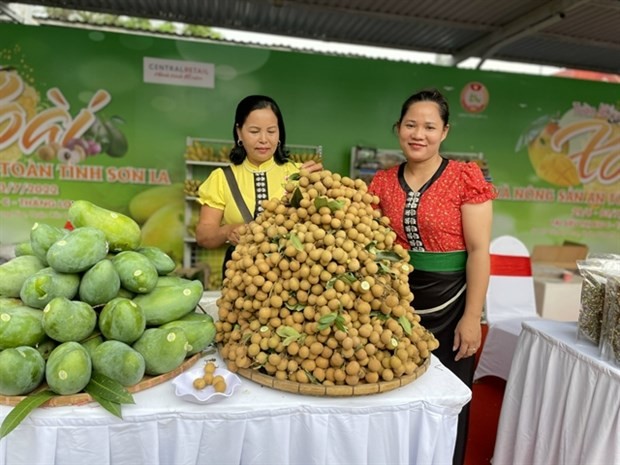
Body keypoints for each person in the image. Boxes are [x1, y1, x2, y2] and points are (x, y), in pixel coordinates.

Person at [367, 88, 496, 465]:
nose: (418, 134)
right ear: (398, 129)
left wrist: (473, 317)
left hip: (453, 303)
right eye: (410, 125)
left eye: (429, 126)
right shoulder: (382, 182)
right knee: (395, 393)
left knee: (447, 400)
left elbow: (479, 252)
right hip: (396, 306)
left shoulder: (465, 178)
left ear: (445, 132)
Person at [195, 95, 321, 277]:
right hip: (239, 275)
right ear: (239, 132)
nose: (263, 139)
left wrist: (320, 187)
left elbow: (320, 226)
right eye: (254, 131)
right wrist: (226, 231)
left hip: (291, 274)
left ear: (280, 134)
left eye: (271, 131)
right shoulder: (222, 178)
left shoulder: (299, 174)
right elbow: (204, 236)